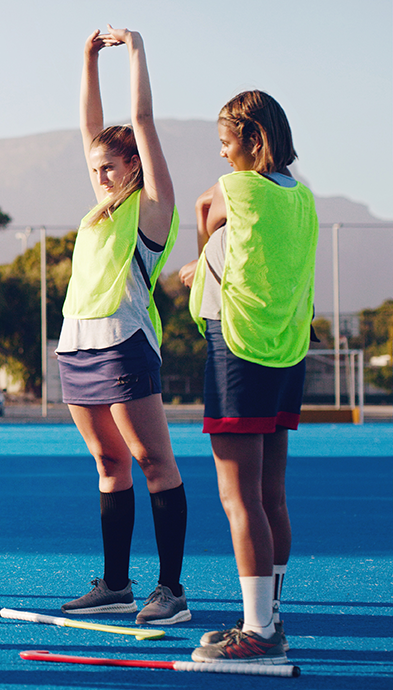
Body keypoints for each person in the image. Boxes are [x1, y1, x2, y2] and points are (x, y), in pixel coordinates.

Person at [54, 28, 189, 625]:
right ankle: (115, 585)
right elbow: (90, 128)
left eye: (111, 167)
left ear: (134, 165)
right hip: (76, 346)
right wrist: (86, 59)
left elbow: (141, 118)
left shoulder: (151, 208)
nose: (101, 175)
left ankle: (171, 591)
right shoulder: (97, 207)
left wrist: (134, 50)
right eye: (95, 168)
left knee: (153, 462)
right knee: (109, 466)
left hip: (125, 345)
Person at [186, 91, 314, 665]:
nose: (222, 156)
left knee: (239, 498)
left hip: (237, 347)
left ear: (253, 139)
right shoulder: (303, 196)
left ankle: (259, 634)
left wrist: (200, 257)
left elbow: (201, 208)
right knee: (271, 495)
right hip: (286, 350)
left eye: (226, 144)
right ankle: (269, 614)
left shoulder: (235, 189)